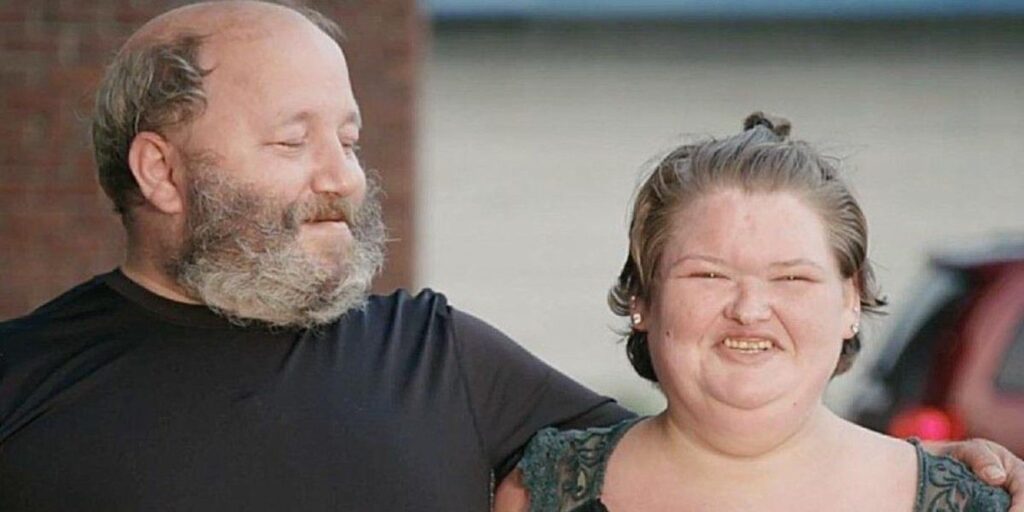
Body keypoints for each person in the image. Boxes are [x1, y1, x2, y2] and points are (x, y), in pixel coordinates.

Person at [0, 2, 1018, 510]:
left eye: (349, 139)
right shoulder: (22, 384)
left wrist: (926, 478)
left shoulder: (439, 357)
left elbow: (723, 436)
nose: (344, 179)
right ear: (160, 169)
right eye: (292, 140)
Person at [494, 113, 1013, 511]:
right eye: (709, 275)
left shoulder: (968, 502)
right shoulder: (543, 491)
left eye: (792, 278)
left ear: (851, 301)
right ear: (642, 300)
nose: (750, 309)